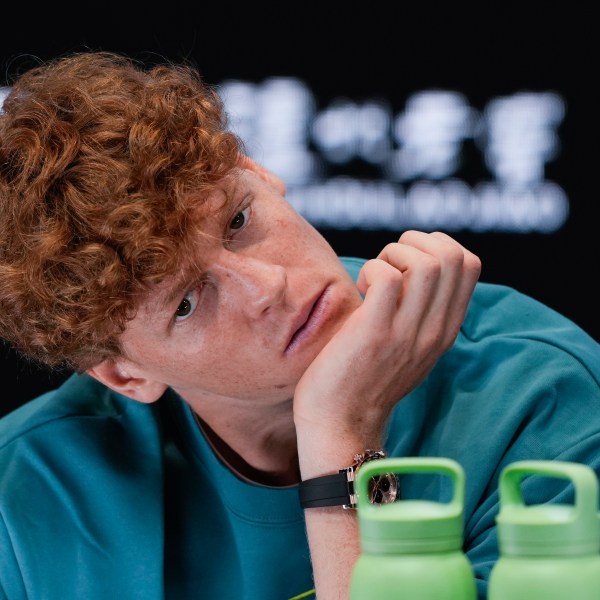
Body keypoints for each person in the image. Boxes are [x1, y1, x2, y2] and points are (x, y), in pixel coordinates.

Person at [0, 51, 599, 600]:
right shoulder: (26, 496)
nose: (268, 287)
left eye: (237, 220)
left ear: (257, 171)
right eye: (186, 302)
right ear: (124, 374)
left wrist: (341, 433)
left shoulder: (542, 394)